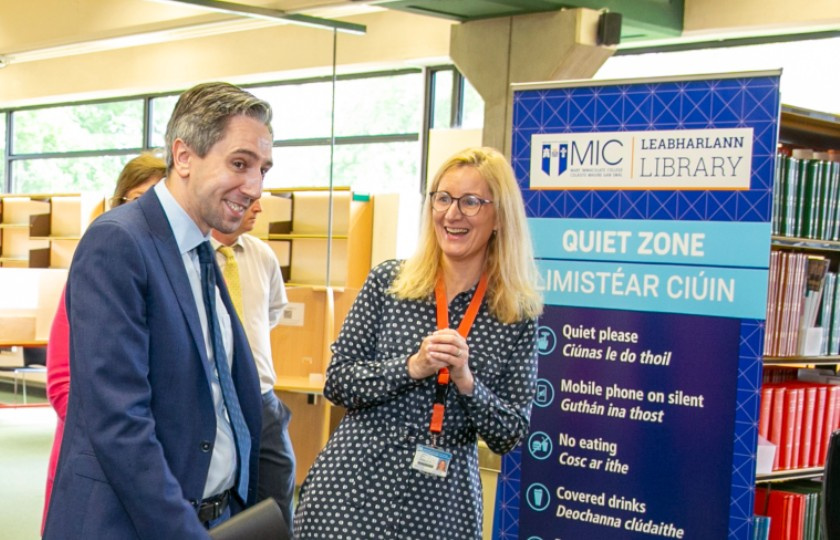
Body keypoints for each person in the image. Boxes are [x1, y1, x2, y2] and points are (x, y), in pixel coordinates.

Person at [43, 82, 273, 539]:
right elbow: (118, 420)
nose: (254, 187)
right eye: (240, 163)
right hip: (136, 525)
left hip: (211, 517)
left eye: (263, 169)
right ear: (184, 156)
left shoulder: (201, 251)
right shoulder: (120, 241)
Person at [293, 146, 544, 539]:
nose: (451, 214)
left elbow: (509, 433)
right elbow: (338, 382)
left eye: (471, 202)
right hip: (350, 493)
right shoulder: (390, 283)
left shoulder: (514, 314)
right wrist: (412, 367)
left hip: (442, 507)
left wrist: (466, 382)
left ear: (500, 217)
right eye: (442, 198)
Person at [41, 152, 166, 534]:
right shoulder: (97, 267)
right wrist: (118, 438)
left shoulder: (178, 276)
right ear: (120, 202)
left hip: (154, 466)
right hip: (95, 465)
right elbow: (61, 383)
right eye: (139, 199)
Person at [211, 198, 295, 533]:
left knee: (275, 494)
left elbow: (272, 313)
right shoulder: (191, 254)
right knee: (219, 499)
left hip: (261, 398)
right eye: (248, 201)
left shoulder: (262, 255)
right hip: (213, 400)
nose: (258, 208)